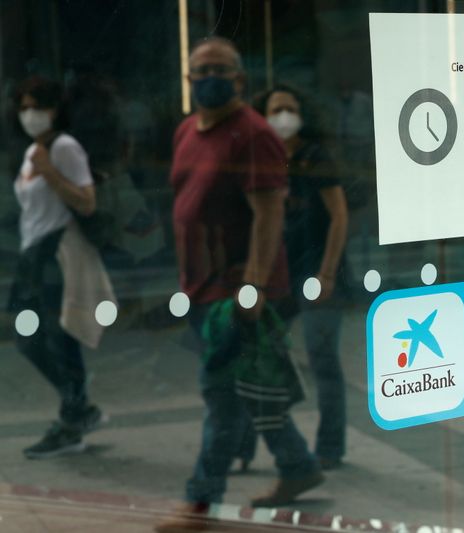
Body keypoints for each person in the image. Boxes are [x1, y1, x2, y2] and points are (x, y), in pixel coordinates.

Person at [156, 37, 322, 533]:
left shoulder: (253, 134)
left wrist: (250, 290)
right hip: (202, 289)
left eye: (220, 69)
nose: (209, 77)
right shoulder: (188, 130)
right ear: (188, 81)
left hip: (237, 296)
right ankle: (298, 467)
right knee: (251, 393)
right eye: (200, 69)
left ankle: (201, 504)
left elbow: (269, 213)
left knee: (220, 395)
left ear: (239, 80)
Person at [9, 76, 109, 459]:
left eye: (37, 106)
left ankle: (72, 419)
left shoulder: (64, 147)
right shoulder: (33, 150)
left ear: (55, 109)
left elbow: (86, 202)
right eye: (23, 107)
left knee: (57, 336)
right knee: (27, 335)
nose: (30, 115)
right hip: (33, 252)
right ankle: (79, 408)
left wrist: (49, 172)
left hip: (57, 251)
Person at [254, 84, 349, 470]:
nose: (284, 116)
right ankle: (252, 440)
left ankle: (330, 446)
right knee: (259, 352)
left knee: (322, 356)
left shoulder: (314, 157)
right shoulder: (262, 160)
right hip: (281, 273)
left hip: (320, 272)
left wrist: (327, 273)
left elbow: (339, 216)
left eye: (290, 109)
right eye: (276, 109)